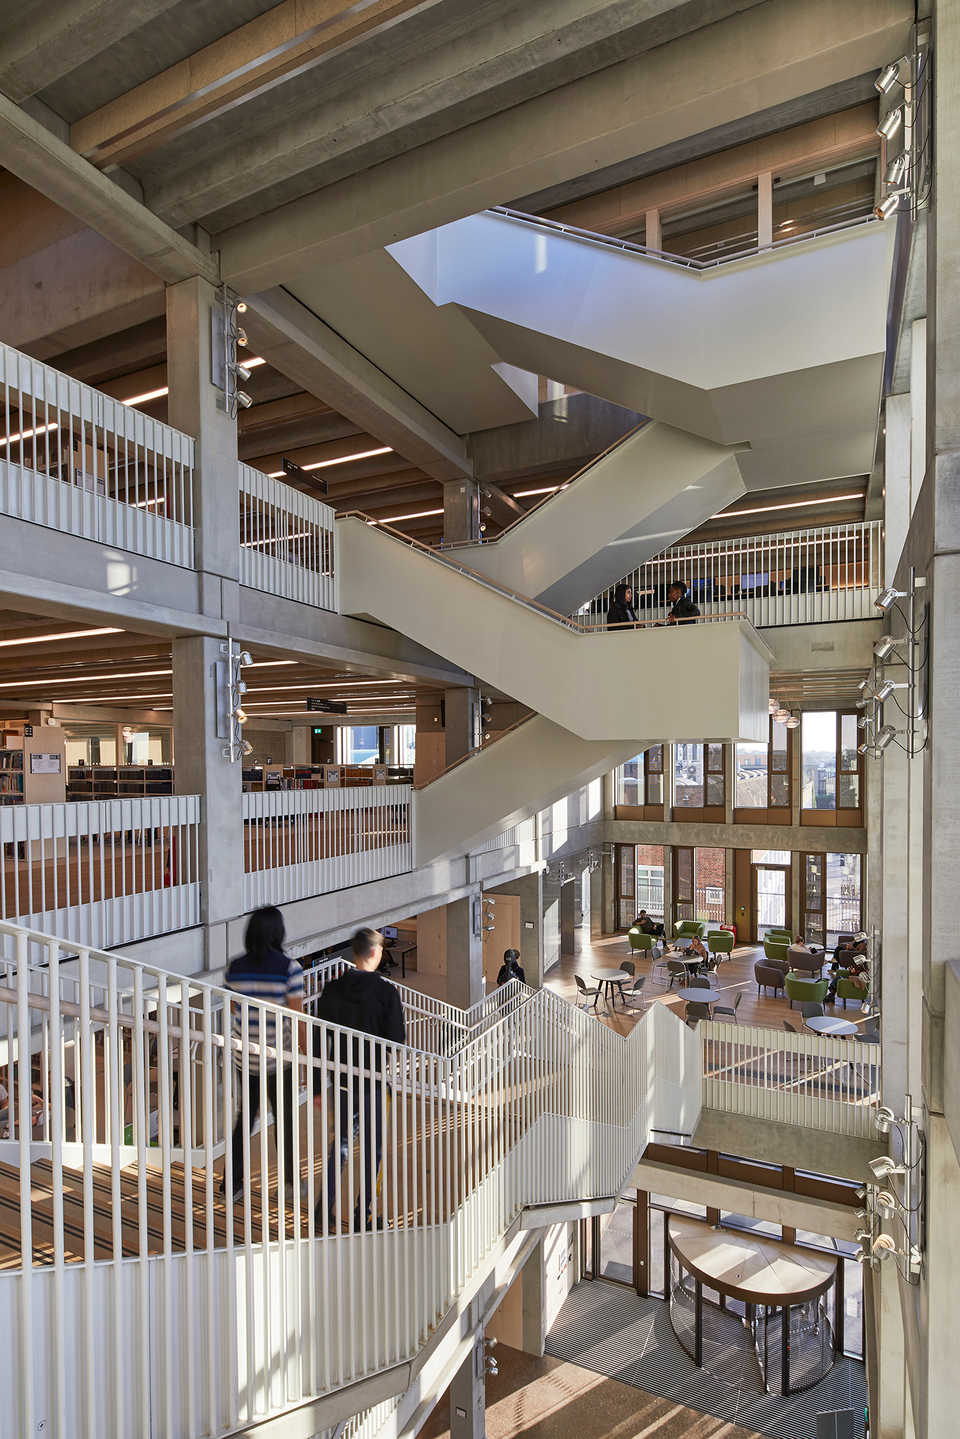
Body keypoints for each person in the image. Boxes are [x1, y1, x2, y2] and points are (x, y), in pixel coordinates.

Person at [314, 927, 405, 1232]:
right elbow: (396, 1040)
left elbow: (318, 1041)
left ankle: (322, 1208)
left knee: (339, 1145)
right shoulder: (386, 992)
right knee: (373, 1152)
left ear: (354, 952)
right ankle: (362, 1216)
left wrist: (317, 1084)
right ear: (375, 953)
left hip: (341, 1083)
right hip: (374, 1084)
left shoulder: (331, 989)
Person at [223, 906, 304, 1206]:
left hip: (245, 1058)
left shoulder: (235, 967)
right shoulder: (289, 968)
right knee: (284, 1123)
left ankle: (231, 1185)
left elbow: (233, 1008)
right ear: (277, 932)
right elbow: (297, 1018)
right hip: (277, 1060)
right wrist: (306, 1057)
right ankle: (290, 1187)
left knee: (245, 1119)